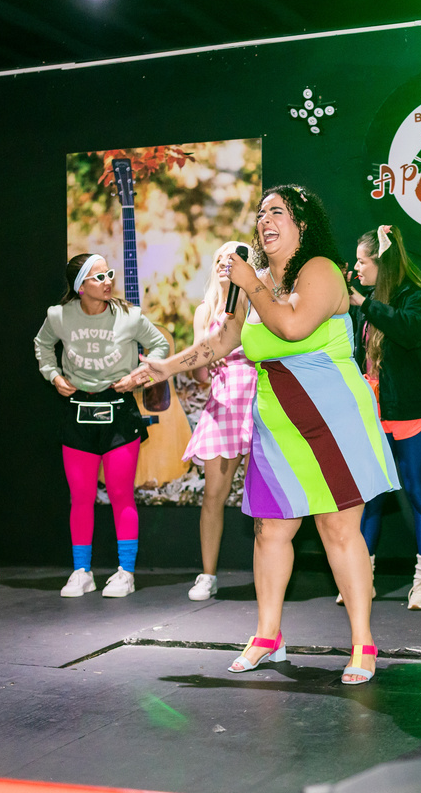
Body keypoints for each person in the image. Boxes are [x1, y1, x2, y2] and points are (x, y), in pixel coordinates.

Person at [138, 185, 399, 685]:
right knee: (270, 531)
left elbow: (293, 325)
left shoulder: (321, 270)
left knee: (337, 530)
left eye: (277, 211)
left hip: (333, 421)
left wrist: (250, 284)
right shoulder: (252, 282)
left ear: (303, 223)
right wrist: (165, 367)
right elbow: (222, 339)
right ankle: (267, 634)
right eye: (260, 213)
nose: (264, 220)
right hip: (277, 424)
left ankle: (363, 642)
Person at [34, 253, 168, 598]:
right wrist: (53, 376)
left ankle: (126, 573)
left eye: (109, 274)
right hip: (78, 411)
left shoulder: (129, 316)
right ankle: (82, 571)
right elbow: (42, 345)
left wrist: (139, 376)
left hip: (119, 411)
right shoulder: (59, 316)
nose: (108, 281)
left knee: (122, 495)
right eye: (98, 277)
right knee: (81, 497)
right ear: (80, 287)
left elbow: (160, 345)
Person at [348, 224, 421, 610]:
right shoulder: (367, 301)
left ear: (381, 262)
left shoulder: (413, 296)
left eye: (362, 261)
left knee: (417, 489)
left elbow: (409, 330)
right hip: (374, 412)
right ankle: (362, 577)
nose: (357, 268)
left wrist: (364, 304)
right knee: (370, 495)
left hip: (411, 410)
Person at [181, 242, 258, 601]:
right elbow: (198, 374)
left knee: (260, 497)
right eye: (219, 259)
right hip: (223, 405)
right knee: (214, 494)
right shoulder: (206, 310)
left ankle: (266, 573)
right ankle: (207, 575)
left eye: (233, 259)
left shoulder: (256, 303)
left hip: (257, 401)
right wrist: (204, 360)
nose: (225, 263)